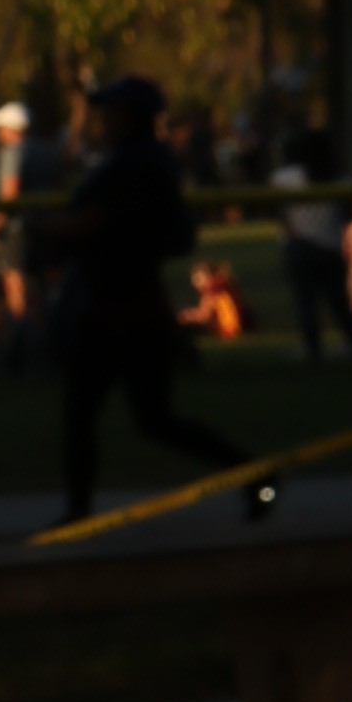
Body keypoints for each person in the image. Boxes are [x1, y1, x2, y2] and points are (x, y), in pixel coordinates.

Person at [44, 76, 269, 525]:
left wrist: (42, 230)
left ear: (134, 117)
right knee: (140, 418)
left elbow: (97, 222)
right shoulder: (140, 162)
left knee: (112, 415)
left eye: (113, 112)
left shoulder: (138, 166)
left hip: (121, 307)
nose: (104, 120)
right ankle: (256, 477)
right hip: (124, 303)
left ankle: (77, 512)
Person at [268, 124, 352, 364]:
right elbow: (350, 211)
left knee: (307, 304)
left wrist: (287, 223)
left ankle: (315, 350)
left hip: (301, 246)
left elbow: (272, 201)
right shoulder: (338, 178)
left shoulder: (287, 177)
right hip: (329, 246)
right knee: (338, 302)